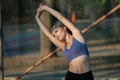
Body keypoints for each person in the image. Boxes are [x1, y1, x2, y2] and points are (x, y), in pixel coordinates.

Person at [35, 3, 94, 80]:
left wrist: (45, 8)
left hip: (86, 76)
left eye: (56, 31)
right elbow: (48, 34)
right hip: (72, 76)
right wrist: (37, 17)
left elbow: (61, 17)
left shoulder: (77, 35)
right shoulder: (63, 46)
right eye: (54, 35)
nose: (56, 36)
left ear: (64, 28)